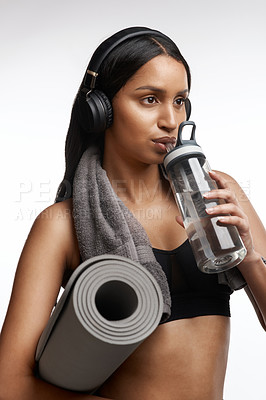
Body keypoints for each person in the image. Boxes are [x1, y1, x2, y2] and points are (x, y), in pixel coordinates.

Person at [0, 26, 265, 400]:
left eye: (179, 100)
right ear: (100, 110)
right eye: (150, 99)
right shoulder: (60, 226)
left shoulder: (219, 194)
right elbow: (9, 385)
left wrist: (251, 259)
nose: (171, 121)